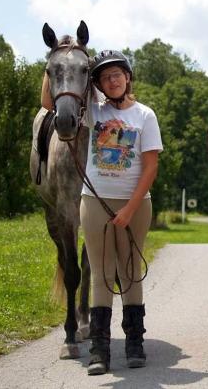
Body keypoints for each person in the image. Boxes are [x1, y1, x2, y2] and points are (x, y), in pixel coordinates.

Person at [41, 50, 163, 375]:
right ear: (98, 85)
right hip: (95, 203)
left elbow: (150, 167)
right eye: (105, 77)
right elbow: (50, 103)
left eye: (117, 75)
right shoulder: (91, 113)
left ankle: (135, 344)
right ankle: (99, 350)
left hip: (134, 205)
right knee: (100, 275)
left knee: (130, 272)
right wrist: (55, 59)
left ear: (127, 78)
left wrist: (130, 209)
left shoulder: (145, 116)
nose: (112, 81)